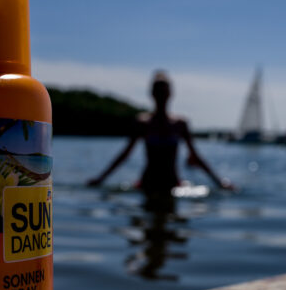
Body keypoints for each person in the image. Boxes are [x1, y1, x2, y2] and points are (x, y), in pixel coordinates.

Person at [87, 70, 234, 196]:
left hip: (173, 185)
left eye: (164, 90)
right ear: (151, 93)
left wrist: (219, 182)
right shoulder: (142, 123)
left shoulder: (180, 124)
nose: (161, 94)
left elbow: (195, 156)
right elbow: (125, 154)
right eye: (158, 90)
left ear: (170, 93)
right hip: (147, 184)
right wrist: (101, 179)